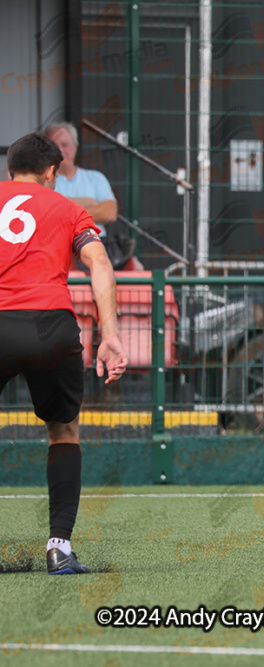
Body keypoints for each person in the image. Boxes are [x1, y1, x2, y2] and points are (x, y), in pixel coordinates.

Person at [0, 132, 128, 574]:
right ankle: (59, 548)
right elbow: (100, 265)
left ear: (9, 170)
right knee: (63, 432)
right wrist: (109, 335)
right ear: (52, 172)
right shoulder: (69, 208)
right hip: (50, 326)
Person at [44, 122, 118, 236]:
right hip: (57, 248)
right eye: (54, 145)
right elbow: (45, 214)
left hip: (95, 248)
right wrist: (91, 202)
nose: (59, 150)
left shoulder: (95, 178)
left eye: (64, 145)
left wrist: (64, 211)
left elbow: (110, 213)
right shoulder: (41, 179)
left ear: (75, 147)